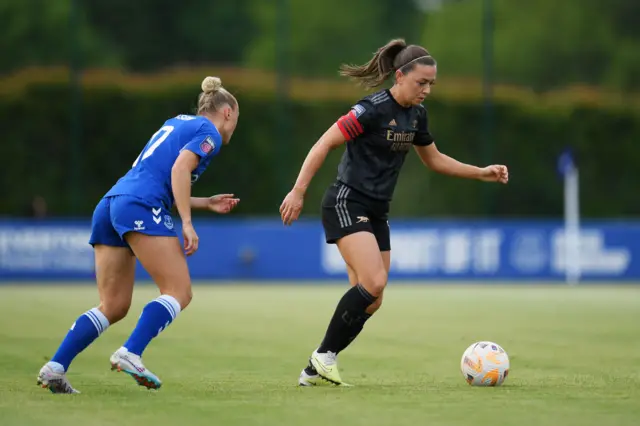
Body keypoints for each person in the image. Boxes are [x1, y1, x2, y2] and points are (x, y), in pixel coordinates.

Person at [279, 39, 509, 386]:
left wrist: (481, 172)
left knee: (372, 299)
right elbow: (324, 142)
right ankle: (323, 357)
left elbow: (435, 160)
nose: (427, 89)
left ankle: (314, 369)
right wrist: (298, 191)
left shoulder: (417, 115)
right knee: (374, 282)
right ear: (399, 76)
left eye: (431, 83)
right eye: (421, 82)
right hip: (346, 201)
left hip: (376, 212)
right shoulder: (370, 109)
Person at [37, 76, 240, 393]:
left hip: (112, 203)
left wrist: (204, 203)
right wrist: (186, 222)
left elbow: (160, 177)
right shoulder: (210, 133)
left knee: (114, 305)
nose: (233, 128)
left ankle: (54, 367)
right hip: (140, 204)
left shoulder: (176, 123)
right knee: (179, 291)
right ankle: (130, 352)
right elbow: (178, 171)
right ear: (227, 112)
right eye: (236, 120)